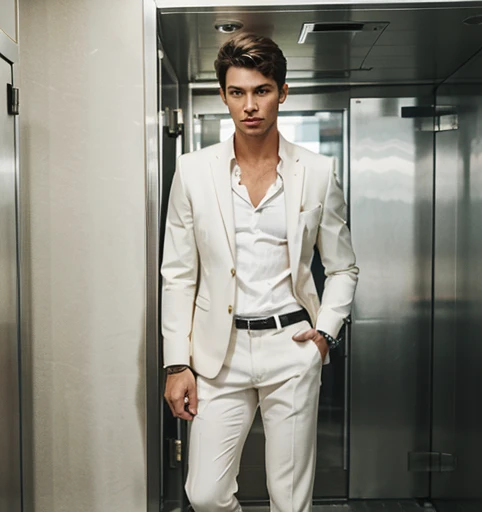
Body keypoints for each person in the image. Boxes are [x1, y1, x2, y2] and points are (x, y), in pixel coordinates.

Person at [161, 33, 359, 512]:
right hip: (217, 354)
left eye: (262, 90)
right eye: (237, 92)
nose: (250, 105)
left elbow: (344, 266)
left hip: (291, 349)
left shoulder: (316, 171)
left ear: (282, 92)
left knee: (290, 500)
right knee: (205, 495)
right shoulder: (192, 171)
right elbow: (178, 273)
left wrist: (325, 334)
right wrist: (176, 362)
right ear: (225, 96)